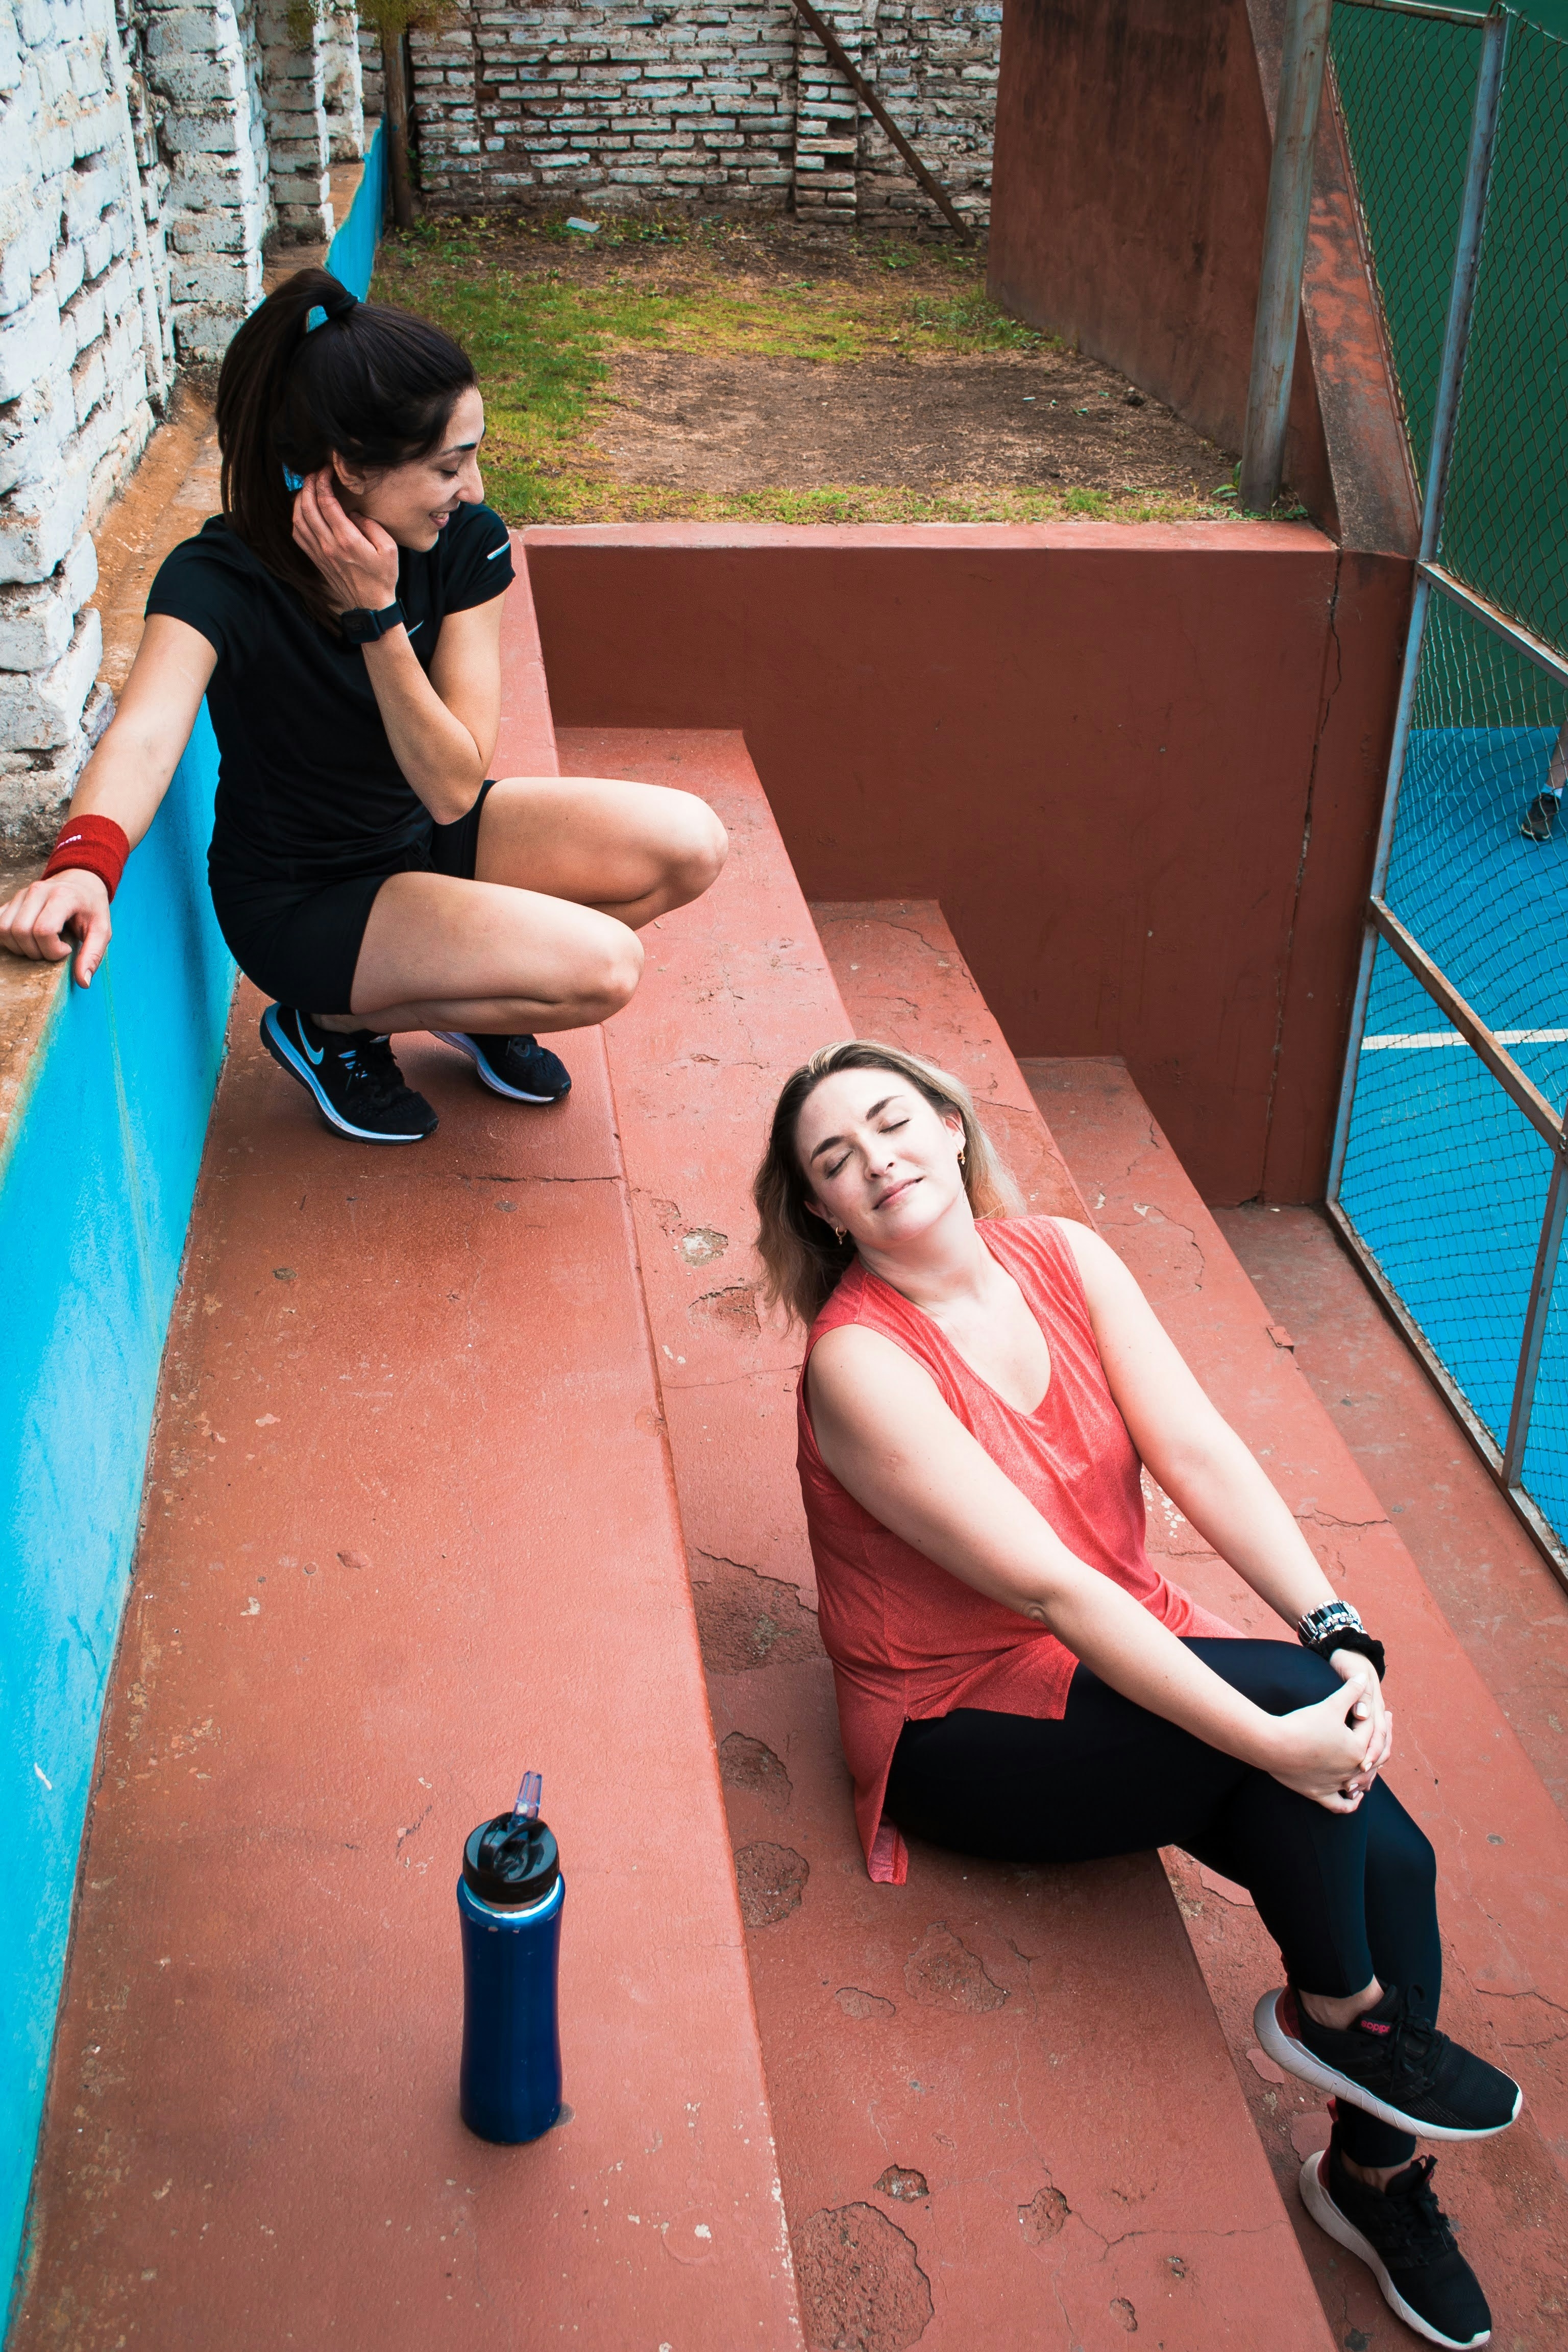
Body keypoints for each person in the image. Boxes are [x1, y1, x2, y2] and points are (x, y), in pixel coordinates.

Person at [754, 1039, 1521, 2352]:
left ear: (948, 1123)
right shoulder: (859, 1364)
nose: (876, 1160)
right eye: (836, 1159)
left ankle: (1374, 2175)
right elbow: (1056, 1594)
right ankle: (1344, 2024)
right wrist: (1276, 1729)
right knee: (1295, 1750)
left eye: (891, 1123)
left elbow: (1201, 1450)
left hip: (1120, 1646)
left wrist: (1337, 1630)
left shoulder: (1061, 1255)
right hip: (963, 1721)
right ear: (821, 1212)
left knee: (1392, 1850)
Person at [0, 268, 726, 1143]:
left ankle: (476, 992)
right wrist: (86, 862)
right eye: (450, 465)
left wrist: (378, 620)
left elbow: (457, 785)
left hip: (423, 824)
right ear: (348, 466)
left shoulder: (464, 543)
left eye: (475, 455)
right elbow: (149, 734)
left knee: (690, 846)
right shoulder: (219, 576)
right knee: (605, 970)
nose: (478, 490)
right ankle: (330, 1023)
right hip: (307, 896)